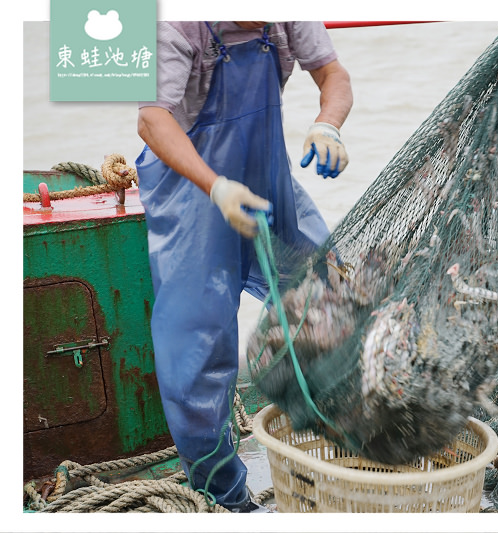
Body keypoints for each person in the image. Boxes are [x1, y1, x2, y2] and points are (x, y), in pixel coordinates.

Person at [135, 21, 352, 512]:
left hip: (266, 179)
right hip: (192, 187)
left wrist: (328, 123)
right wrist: (215, 186)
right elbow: (152, 119)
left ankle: (344, 450)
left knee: (331, 297)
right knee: (196, 358)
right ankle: (226, 502)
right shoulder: (170, 22)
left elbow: (333, 73)